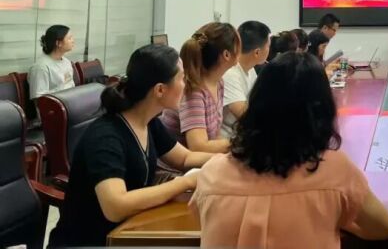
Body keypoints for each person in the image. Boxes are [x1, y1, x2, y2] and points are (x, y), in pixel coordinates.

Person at [191, 51, 388, 248]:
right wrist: (340, 220)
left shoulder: (212, 173)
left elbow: (201, 219)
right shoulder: (336, 170)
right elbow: (383, 227)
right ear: (322, 110)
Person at [49, 45, 213, 248]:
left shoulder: (148, 122)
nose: (185, 83)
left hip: (128, 231)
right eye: (181, 78)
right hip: (90, 242)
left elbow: (185, 158)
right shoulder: (106, 136)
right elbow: (115, 206)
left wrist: (232, 159)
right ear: (160, 90)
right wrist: (184, 183)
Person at [160, 23, 239, 153]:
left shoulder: (218, 82)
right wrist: (241, 144)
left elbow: (214, 137)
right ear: (226, 55)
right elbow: (198, 147)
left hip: (199, 160)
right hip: (179, 164)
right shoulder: (194, 91)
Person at [221, 21, 271, 139]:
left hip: (242, 135)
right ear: (257, 52)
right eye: (268, 46)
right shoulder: (229, 73)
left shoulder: (250, 69)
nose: (270, 50)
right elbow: (245, 116)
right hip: (228, 139)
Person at [29, 24, 75, 101]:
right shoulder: (41, 67)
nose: (73, 41)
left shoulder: (67, 62)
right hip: (55, 106)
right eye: (69, 38)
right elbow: (39, 100)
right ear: (58, 43)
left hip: (71, 102)